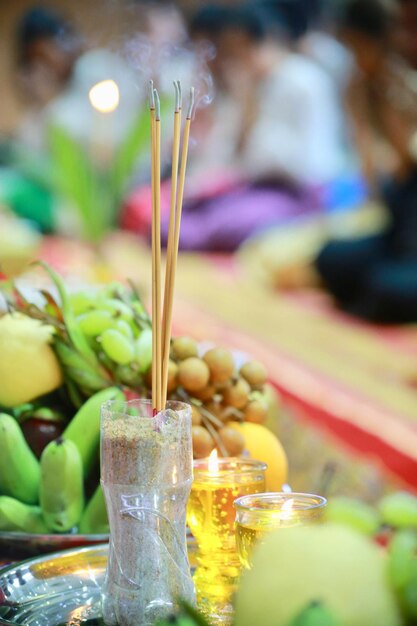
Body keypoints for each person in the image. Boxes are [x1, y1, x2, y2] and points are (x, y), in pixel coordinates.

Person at [315, 0, 417, 323]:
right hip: (397, 220)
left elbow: (406, 160)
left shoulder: (404, 85)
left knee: (384, 286)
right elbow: (377, 178)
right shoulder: (363, 87)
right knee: (330, 259)